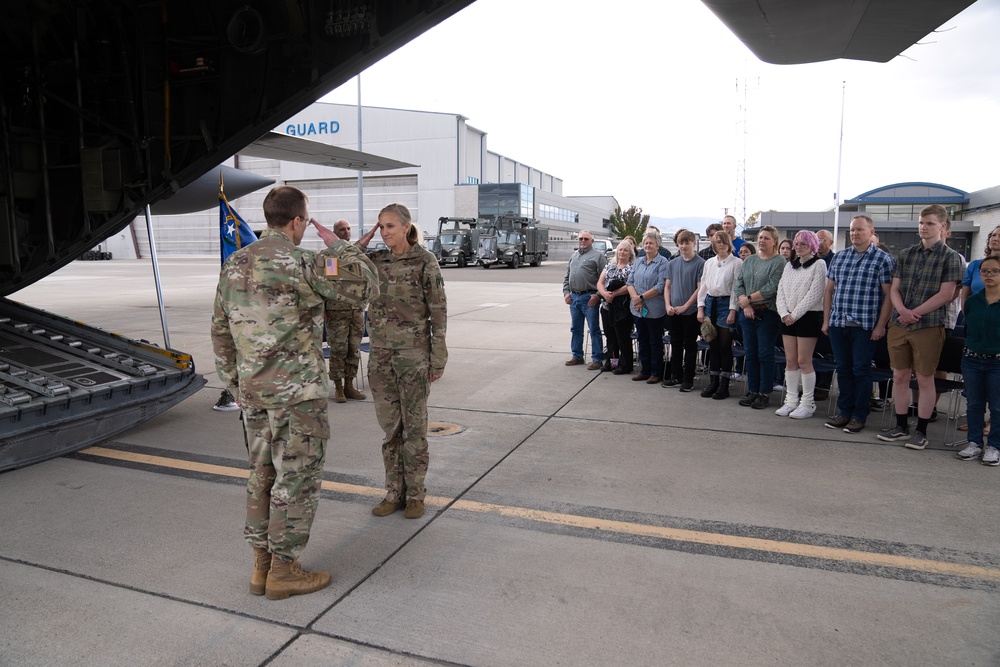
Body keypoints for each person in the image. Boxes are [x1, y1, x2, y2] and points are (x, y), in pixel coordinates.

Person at [211, 185, 379, 600]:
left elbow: (221, 330)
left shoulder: (235, 262)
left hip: (253, 394)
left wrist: (237, 383)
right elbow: (367, 288)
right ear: (298, 220)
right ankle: (284, 571)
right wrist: (340, 246)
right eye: (306, 220)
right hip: (297, 395)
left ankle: (261, 566)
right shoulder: (307, 262)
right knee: (297, 479)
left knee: (261, 476)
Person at [338, 203, 449, 520]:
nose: (384, 232)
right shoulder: (374, 260)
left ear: (405, 227)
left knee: (414, 430)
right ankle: (393, 493)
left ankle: (415, 495)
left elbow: (438, 312)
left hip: (413, 357)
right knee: (390, 432)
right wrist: (361, 242)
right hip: (381, 357)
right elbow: (333, 267)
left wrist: (438, 356)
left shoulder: (425, 261)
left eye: (389, 226)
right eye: (380, 226)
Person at [877, 204, 964, 449]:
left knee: (925, 379)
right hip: (900, 323)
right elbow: (894, 289)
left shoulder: (951, 257)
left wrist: (914, 313)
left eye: (930, 224)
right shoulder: (906, 254)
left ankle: (922, 430)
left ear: (943, 226)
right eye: (921, 223)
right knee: (900, 376)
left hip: (929, 325)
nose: (923, 228)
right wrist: (902, 311)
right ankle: (901, 426)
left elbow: (947, 294)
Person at [821, 215, 895, 434]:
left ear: (871, 232)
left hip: (864, 326)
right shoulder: (840, 257)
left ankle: (859, 416)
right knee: (843, 370)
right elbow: (829, 291)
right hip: (838, 323)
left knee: (861, 371)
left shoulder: (883, 259)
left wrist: (881, 325)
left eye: (860, 230)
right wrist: (826, 320)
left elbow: (889, 297)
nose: (855, 233)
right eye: (852, 230)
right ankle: (844, 412)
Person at [774, 231, 827, 419]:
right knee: (790, 361)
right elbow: (780, 291)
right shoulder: (789, 266)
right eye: (797, 244)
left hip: (808, 317)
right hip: (787, 318)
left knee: (804, 361)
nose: (799, 247)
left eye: (803, 244)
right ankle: (791, 400)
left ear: (812, 245)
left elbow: (815, 293)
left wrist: (794, 314)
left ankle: (807, 403)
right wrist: (784, 313)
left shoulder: (819, 265)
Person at [955, 255, 1000, 466]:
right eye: (985, 271)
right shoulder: (973, 301)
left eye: (994, 271)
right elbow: (969, 328)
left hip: (997, 362)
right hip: (972, 360)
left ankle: (994, 447)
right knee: (974, 404)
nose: (988, 275)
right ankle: (974, 443)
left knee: (998, 407)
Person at [734, 225, 785, 409]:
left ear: (774, 241)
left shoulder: (779, 262)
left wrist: (748, 301)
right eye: (760, 237)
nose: (762, 240)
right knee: (751, 353)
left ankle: (764, 393)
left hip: (766, 313)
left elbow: (771, 288)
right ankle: (753, 390)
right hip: (746, 314)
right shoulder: (750, 260)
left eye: (766, 238)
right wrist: (745, 303)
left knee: (765, 354)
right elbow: (738, 283)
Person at [325, 218, 374, 403]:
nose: (346, 232)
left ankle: (349, 386)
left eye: (348, 229)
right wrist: (323, 308)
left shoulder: (356, 253)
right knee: (338, 350)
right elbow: (323, 283)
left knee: (353, 350)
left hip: (356, 311)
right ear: (335, 233)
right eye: (342, 230)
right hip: (336, 311)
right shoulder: (328, 256)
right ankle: (338, 388)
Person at [697, 230, 742, 399]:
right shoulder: (709, 262)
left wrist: (732, 311)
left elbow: (736, 289)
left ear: (728, 243)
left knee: (724, 346)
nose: (720, 245)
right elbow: (703, 286)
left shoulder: (736, 263)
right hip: (710, 303)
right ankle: (713, 381)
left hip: (725, 304)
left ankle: (724, 384)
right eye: (717, 242)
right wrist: (701, 308)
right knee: (712, 345)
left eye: (723, 242)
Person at [662, 229, 705, 391]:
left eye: (687, 243)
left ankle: (688, 379)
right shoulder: (672, 263)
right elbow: (667, 286)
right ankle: (676, 376)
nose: (684, 246)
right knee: (675, 343)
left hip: (690, 311)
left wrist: (686, 306)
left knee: (690, 345)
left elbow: (700, 289)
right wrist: (668, 305)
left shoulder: (700, 263)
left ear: (694, 244)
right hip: (674, 311)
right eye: (681, 243)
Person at [627, 231, 670, 384]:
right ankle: (644, 370)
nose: (647, 245)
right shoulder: (638, 261)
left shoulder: (663, 262)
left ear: (658, 245)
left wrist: (641, 297)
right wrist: (635, 298)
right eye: (645, 243)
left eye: (651, 243)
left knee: (654, 341)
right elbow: (630, 282)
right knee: (642, 339)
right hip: (637, 308)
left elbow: (660, 286)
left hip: (655, 309)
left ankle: (656, 372)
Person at [562, 231, 607, 370]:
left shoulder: (598, 256)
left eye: (586, 239)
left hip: (589, 298)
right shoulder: (574, 256)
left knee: (594, 329)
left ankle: (597, 358)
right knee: (575, 329)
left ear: (592, 241)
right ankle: (577, 356)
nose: (583, 241)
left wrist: (598, 295)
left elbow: (605, 278)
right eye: (581, 238)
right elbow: (566, 277)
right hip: (574, 298)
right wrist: (566, 293)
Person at [597, 240, 636, 374]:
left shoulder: (632, 268)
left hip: (622, 308)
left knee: (623, 336)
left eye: (626, 250)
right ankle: (612, 362)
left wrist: (614, 294)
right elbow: (600, 283)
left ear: (630, 253)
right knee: (610, 336)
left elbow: (630, 285)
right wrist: (604, 294)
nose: (622, 252)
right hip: (607, 307)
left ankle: (625, 365)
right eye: (620, 250)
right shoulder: (609, 266)